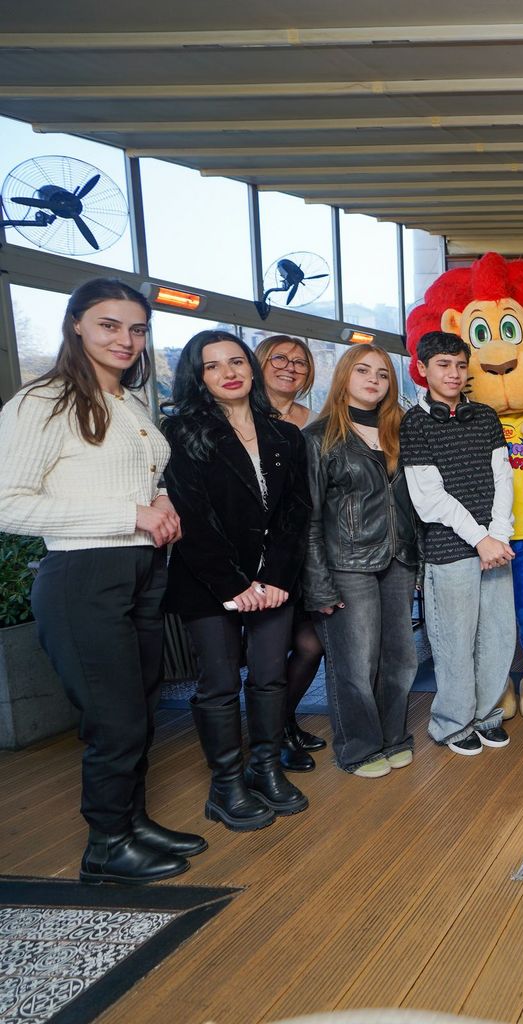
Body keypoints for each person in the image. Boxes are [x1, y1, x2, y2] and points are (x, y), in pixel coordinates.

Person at [0, 278, 195, 884]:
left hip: (141, 571)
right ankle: (106, 844)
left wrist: (160, 500)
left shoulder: (127, 402)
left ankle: (133, 821)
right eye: (109, 325)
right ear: (76, 324)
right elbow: (8, 504)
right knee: (114, 718)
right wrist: (128, 514)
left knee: (141, 706)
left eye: (136, 329)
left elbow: (139, 479)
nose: (125, 340)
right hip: (83, 574)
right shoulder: (42, 402)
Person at [163, 329, 312, 832]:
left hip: (273, 582)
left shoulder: (286, 436)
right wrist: (234, 585)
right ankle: (225, 785)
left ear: (251, 367)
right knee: (220, 683)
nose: (228, 372)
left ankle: (264, 767)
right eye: (212, 365)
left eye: (236, 361)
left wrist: (275, 577)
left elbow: (296, 512)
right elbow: (192, 516)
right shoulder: (181, 432)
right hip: (209, 581)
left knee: (269, 676)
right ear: (198, 377)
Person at [303, 345, 420, 779]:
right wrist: (318, 582)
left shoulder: (401, 431)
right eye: (363, 371)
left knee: (400, 657)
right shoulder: (319, 437)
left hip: (399, 557)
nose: (374, 380)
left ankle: (393, 737)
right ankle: (359, 748)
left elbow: (415, 502)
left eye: (383, 374)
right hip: (346, 563)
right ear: (344, 378)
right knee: (356, 661)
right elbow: (310, 517)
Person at [400, 332, 517, 758]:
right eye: (443, 365)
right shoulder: (415, 423)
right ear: (423, 369)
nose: (453, 373)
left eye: (460, 365)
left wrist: (498, 535)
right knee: (454, 641)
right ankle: (453, 722)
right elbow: (429, 499)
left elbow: (503, 477)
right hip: (450, 550)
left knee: (498, 636)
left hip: (495, 546)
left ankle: (486, 715)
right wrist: (481, 538)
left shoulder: (484, 417)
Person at [253, 334, 327, 770]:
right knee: (267, 649)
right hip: (259, 556)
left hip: (305, 550)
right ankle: (269, 736)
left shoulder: (315, 422)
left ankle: (283, 721)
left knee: (312, 644)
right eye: (279, 358)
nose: (290, 367)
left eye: (299, 362)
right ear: (260, 364)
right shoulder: (242, 417)